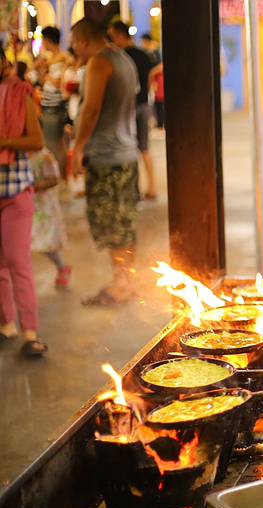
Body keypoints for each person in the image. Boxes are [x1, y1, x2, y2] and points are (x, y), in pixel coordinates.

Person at [70, 18, 140, 306]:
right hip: (125, 153)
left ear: (83, 40)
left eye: (74, 44)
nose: (74, 50)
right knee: (124, 222)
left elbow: (91, 108)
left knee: (113, 225)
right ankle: (124, 280)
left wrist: (77, 148)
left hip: (108, 158)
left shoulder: (99, 62)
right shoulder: (123, 58)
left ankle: (121, 284)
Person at [0, 53, 48, 356]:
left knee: (17, 262)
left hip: (16, 192)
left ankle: (30, 333)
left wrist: (4, 140)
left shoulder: (20, 93)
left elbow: (36, 141)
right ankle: (7, 324)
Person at [107, 20, 159, 200]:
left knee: (128, 149)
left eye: (112, 36)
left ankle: (133, 188)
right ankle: (152, 186)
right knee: (144, 148)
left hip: (128, 108)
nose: (111, 40)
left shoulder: (120, 57)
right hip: (145, 105)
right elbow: (152, 75)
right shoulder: (143, 54)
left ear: (120, 35)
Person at [29, 148, 70, 288]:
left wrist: (34, 186)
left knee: (45, 244)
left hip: (42, 208)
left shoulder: (44, 156)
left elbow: (54, 180)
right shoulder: (17, 154)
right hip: (25, 206)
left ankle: (62, 267)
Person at [36, 26, 70, 183]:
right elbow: (47, 83)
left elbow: (58, 83)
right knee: (57, 144)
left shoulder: (63, 59)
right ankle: (62, 179)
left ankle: (62, 179)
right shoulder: (52, 59)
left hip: (54, 107)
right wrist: (42, 73)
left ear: (48, 40)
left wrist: (47, 74)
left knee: (55, 145)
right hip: (49, 104)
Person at [141, 33, 164, 132]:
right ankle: (158, 124)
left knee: (159, 102)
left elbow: (160, 65)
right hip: (153, 79)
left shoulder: (155, 52)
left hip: (157, 79)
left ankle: (160, 125)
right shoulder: (148, 52)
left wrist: (151, 73)